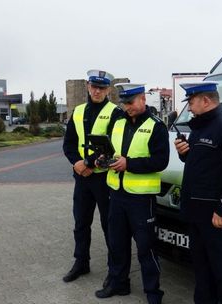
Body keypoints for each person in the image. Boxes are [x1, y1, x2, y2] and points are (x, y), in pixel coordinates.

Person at [174, 81, 222, 304]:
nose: (188, 107)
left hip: (215, 214)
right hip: (195, 210)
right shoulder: (200, 126)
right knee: (200, 267)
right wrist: (184, 154)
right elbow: (204, 164)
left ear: (205, 100)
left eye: (190, 101)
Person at [94, 83, 169, 304]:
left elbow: (160, 161)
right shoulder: (117, 123)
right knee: (117, 244)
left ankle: (153, 293)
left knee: (146, 248)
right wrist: (102, 160)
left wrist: (129, 164)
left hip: (141, 198)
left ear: (143, 99)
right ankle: (119, 284)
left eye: (131, 102)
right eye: (124, 103)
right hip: (117, 194)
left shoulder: (156, 126)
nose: (127, 107)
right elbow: (110, 151)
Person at [62, 69, 122, 286]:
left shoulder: (115, 113)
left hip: (103, 178)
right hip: (82, 178)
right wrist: (77, 163)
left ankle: (114, 270)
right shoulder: (77, 111)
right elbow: (69, 143)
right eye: (94, 86)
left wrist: (88, 163)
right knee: (81, 222)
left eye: (102, 88)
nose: (97, 91)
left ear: (107, 90)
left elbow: (114, 146)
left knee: (109, 225)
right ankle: (81, 263)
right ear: (88, 86)